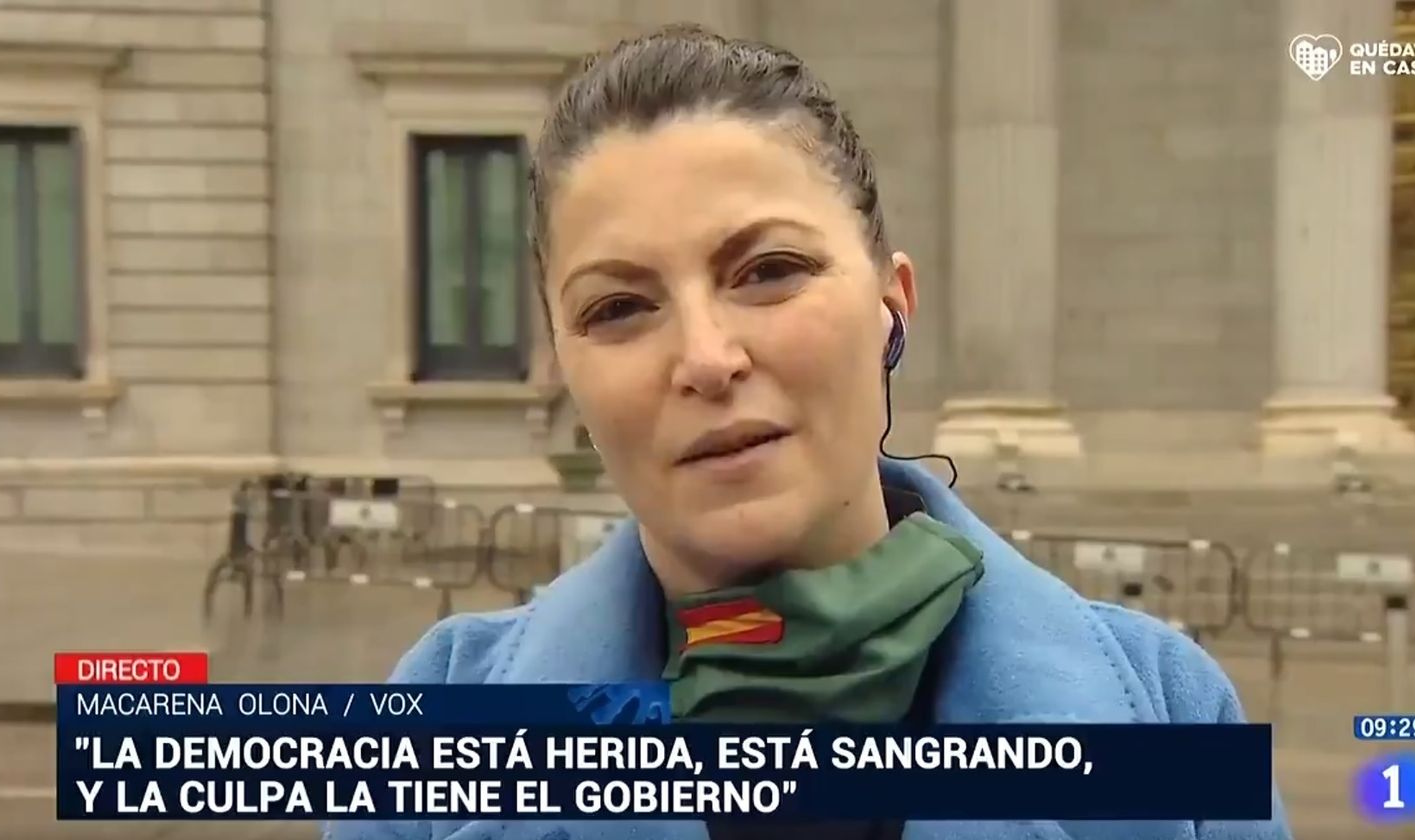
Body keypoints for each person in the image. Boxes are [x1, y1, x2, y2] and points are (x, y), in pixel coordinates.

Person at [329, 23, 1291, 840]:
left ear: (890, 307)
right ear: (565, 369)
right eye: (619, 307)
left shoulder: (1165, 709)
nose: (706, 357)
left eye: (769, 271)